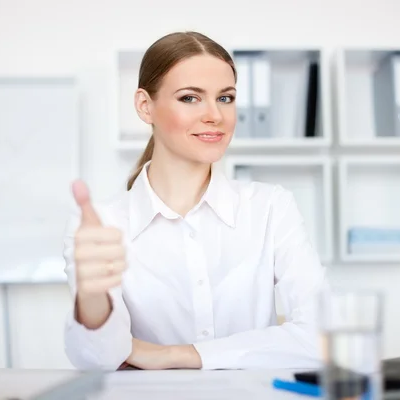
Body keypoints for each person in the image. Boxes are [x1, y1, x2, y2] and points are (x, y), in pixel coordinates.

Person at [62, 31, 328, 371]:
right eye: (190, 98)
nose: (215, 115)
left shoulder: (271, 208)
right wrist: (92, 298)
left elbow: (323, 335)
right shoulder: (102, 225)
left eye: (226, 98)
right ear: (145, 106)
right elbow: (98, 361)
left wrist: (176, 354)